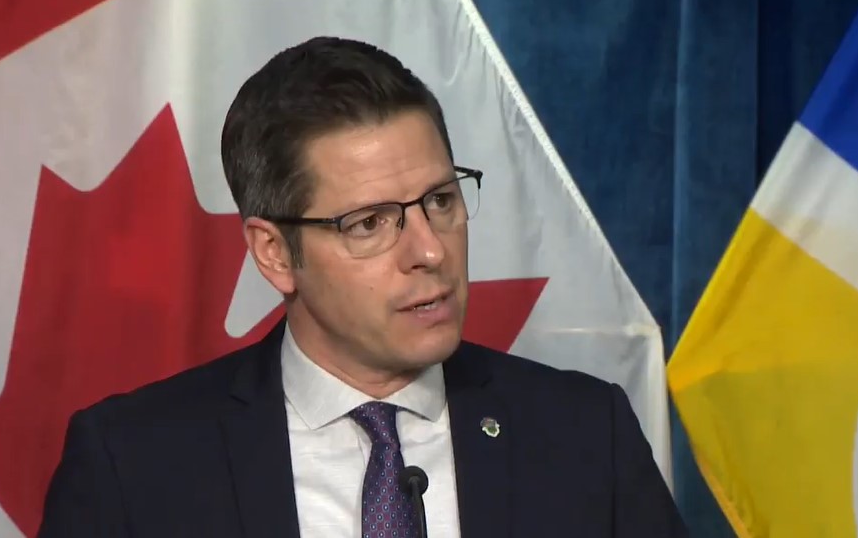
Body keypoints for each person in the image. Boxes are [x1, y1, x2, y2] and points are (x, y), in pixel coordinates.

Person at [38, 36, 686, 538]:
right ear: (274, 254)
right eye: (370, 222)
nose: (430, 250)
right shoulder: (132, 464)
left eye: (440, 200)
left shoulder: (584, 435)